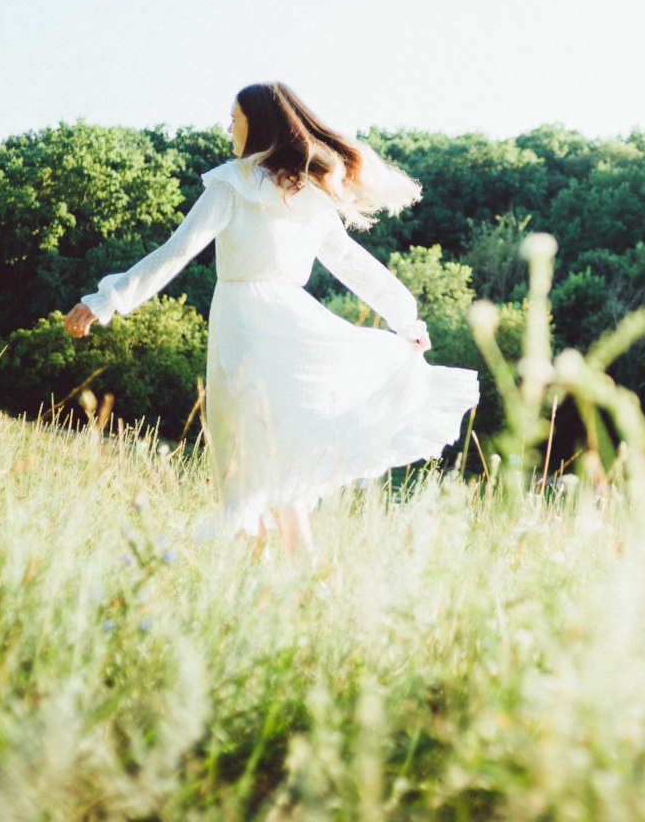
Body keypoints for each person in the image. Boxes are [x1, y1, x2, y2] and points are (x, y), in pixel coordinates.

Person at [63, 82, 479, 553]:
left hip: (244, 325)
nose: (227, 128)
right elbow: (353, 264)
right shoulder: (308, 191)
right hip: (289, 321)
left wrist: (106, 300)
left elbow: (177, 251)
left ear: (255, 125)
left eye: (234, 119)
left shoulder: (233, 182)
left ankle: (258, 563)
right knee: (275, 455)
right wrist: (405, 317)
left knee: (248, 457)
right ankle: (296, 577)